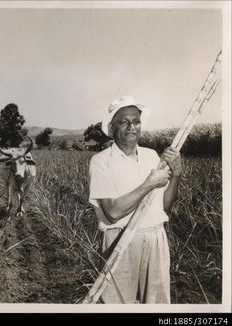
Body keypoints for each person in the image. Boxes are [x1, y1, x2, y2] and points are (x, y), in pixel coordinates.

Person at [89, 96, 182, 304]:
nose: (132, 127)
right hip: (120, 240)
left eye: (136, 121)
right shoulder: (101, 162)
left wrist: (176, 174)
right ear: (112, 128)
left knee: (157, 303)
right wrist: (149, 183)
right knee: (118, 303)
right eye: (124, 122)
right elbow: (113, 213)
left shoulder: (152, 156)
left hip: (156, 238)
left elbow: (164, 207)